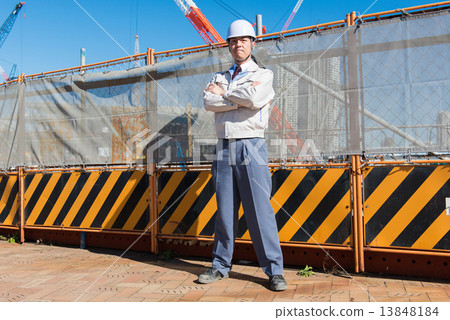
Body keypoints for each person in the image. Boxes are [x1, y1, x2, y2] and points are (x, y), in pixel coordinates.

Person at [198, 19, 287, 291]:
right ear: (229, 45)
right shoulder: (219, 76)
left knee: (260, 211)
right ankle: (220, 266)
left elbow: (254, 99)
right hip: (224, 145)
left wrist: (226, 95)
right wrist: (237, 96)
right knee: (224, 211)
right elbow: (208, 102)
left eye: (244, 40)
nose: (238, 44)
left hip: (252, 145)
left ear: (252, 43)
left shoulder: (264, 74)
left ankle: (274, 271)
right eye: (234, 41)